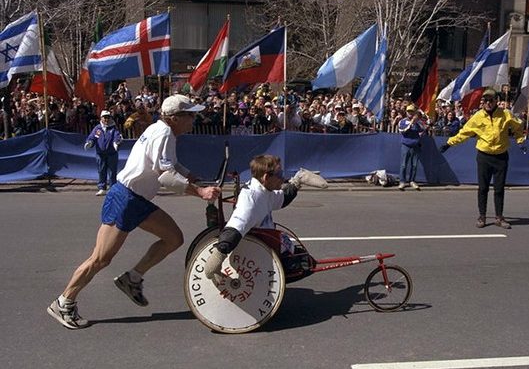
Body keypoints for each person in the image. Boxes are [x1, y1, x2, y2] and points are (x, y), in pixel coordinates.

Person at [47, 94, 221, 329]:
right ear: (174, 118)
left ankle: (133, 278)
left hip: (137, 200)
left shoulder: (162, 131)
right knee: (100, 259)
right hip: (125, 199)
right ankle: (64, 301)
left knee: (173, 238)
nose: (193, 120)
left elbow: (170, 165)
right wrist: (200, 192)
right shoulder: (164, 133)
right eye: (190, 115)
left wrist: (192, 177)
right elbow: (166, 176)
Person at [203, 155, 327, 279]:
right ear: (266, 177)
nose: (283, 178)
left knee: (304, 258)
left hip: (267, 241)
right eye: (279, 174)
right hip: (259, 252)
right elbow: (235, 227)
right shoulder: (251, 200)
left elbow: (281, 199)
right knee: (303, 264)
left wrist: (297, 182)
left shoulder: (264, 189)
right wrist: (218, 255)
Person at [439, 88, 526, 229]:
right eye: (485, 100)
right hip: (484, 156)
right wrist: (449, 143)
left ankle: (499, 217)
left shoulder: (505, 114)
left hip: (501, 156)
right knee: (483, 188)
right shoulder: (478, 116)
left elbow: (518, 127)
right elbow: (464, 133)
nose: (488, 103)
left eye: (491, 100)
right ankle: (482, 216)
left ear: (496, 101)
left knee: (499, 189)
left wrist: (520, 141)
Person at [85, 110, 123, 196]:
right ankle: (102, 188)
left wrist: (116, 143)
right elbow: (93, 137)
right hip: (100, 154)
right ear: (101, 118)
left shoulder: (113, 128)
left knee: (112, 171)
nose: (106, 119)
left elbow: (117, 136)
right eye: (104, 117)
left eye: (108, 117)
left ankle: (112, 188)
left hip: (111, 153)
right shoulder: (98, 128)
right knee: (101, 170)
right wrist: (89, 142)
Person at [398, 104, 426, 190]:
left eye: (411, 111)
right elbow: (402, 132)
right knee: (403, 165)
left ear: (414, 112)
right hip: (406, 146)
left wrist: (418, 123)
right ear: (406, 112)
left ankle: (412, 181)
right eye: (408, 111)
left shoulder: (418, 122)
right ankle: (402, 181)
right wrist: (411, 124)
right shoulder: (402, 121)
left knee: (414, 165)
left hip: (415, 146)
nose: (410, 113)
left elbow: (423, 129)